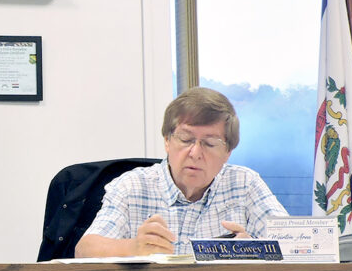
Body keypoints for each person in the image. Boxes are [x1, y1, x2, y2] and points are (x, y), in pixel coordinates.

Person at [75, 86, 287, 258]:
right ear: (167, 141)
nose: (195, 153)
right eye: (185, 140)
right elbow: (85, 249)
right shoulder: (132, 186)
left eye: (210, 144)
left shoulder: (245, 183)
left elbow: (295, 245)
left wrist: (256, 251)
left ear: (228, 152)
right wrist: (134, 247)